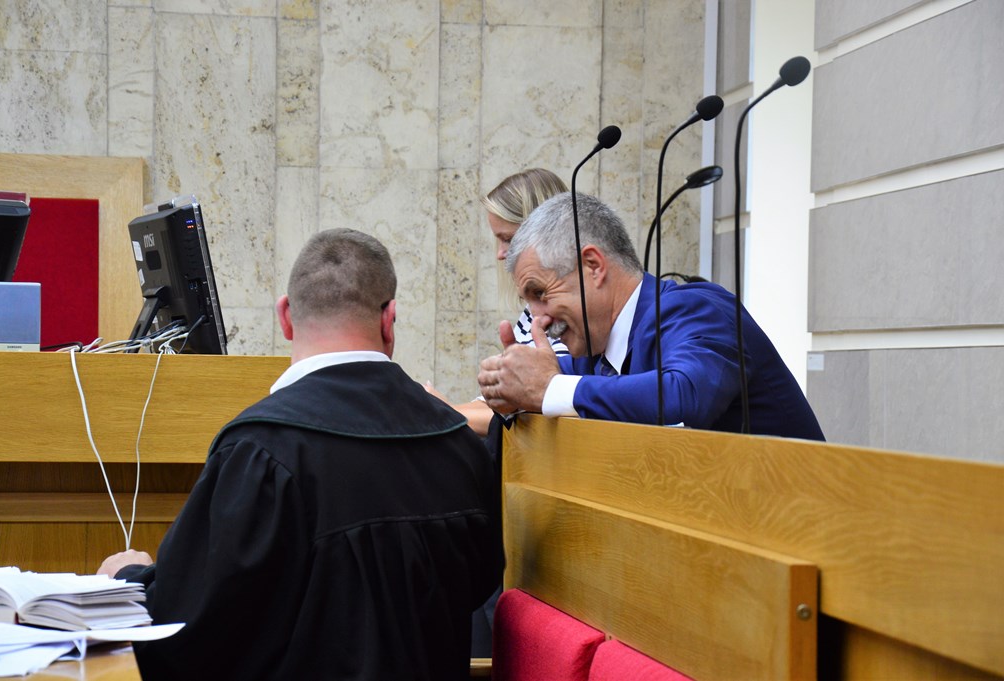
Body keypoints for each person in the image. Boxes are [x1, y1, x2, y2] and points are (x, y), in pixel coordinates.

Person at [98, 228, 504, 681]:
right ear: (390, 318)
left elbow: (188, 630)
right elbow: (479, 588)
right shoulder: (458, 444)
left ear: (286, 316)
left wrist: (128, 580)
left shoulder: (260, 450)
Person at [476, 192, 825, 440]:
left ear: (593, 266)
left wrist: (548, 388)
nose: (538, 319)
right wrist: (510, 384)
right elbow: (550, 381)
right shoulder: (594, 351)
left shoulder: (698, 311)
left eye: (540, 294)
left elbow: (684, 396)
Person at [426, 168, 569, 436]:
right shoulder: (532, 310)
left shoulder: (563, 313)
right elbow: (505, 405)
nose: (501, 254)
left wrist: (441, 413)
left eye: (509, 239)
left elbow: (533, 409)